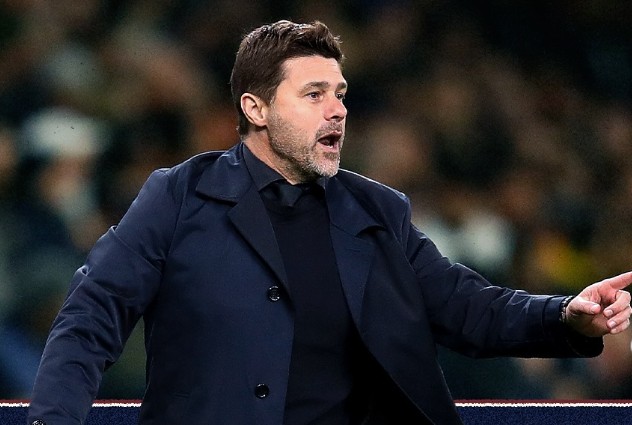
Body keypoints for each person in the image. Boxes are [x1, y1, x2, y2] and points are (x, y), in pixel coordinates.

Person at [27, 20, 631, 425]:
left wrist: (564, 315)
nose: (338, 110)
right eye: (314, 94)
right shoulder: (179, 196)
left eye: (340, 93)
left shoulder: (376, 211)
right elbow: (91, 317)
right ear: (256, 108)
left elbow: (468, 306)